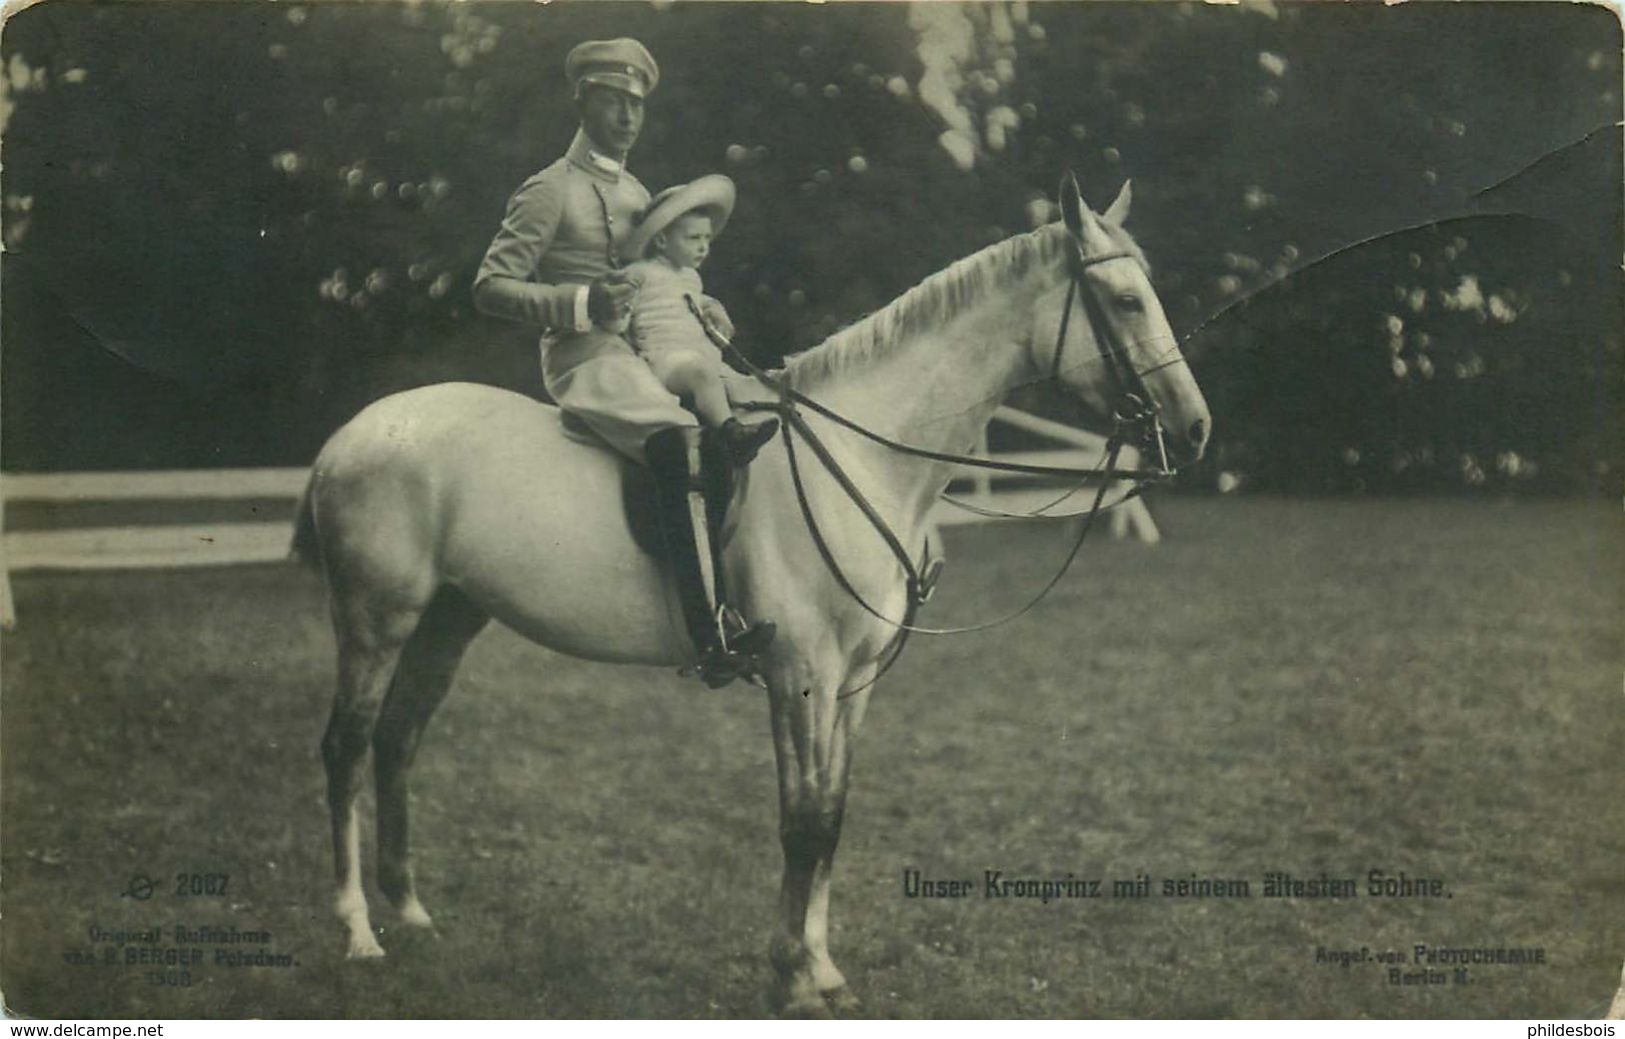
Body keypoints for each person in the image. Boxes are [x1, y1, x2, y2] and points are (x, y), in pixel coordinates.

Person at [472, 38, 773, 688]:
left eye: (636, 104)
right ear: (584, 102)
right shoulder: (550, 190)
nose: (628, 117)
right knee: (679, 436)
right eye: (613, 101)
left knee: (750, 413)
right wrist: (579, 302)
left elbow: (665, 279)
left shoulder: (639, 192)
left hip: (650, 352)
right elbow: (490, 287)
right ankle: (710, 632)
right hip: (585, 356)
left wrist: (703, 308)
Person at [615, 175, 779, 467]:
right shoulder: (640, 273)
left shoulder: (691, 277)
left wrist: (714, 307)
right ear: (663, 240)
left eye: (706, 238)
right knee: (703, 375)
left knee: (745, 384)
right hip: (664, 361)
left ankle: (760, 441)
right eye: (693, 239)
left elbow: (696, 300)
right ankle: (732, 435)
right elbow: (618, 310)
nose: (703, 247)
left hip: (700, 357)